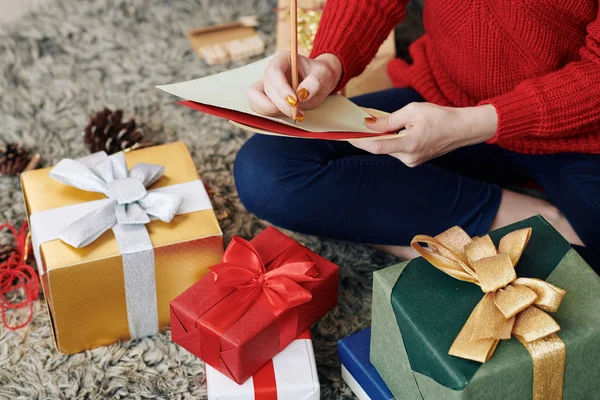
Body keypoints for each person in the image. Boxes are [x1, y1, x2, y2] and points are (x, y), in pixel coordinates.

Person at [234, 0, 600, 261]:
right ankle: (515, 215)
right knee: (267, 170)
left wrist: (476, 123)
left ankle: (438, 231)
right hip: (442, 96)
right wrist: (329, 61)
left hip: (582, 136)